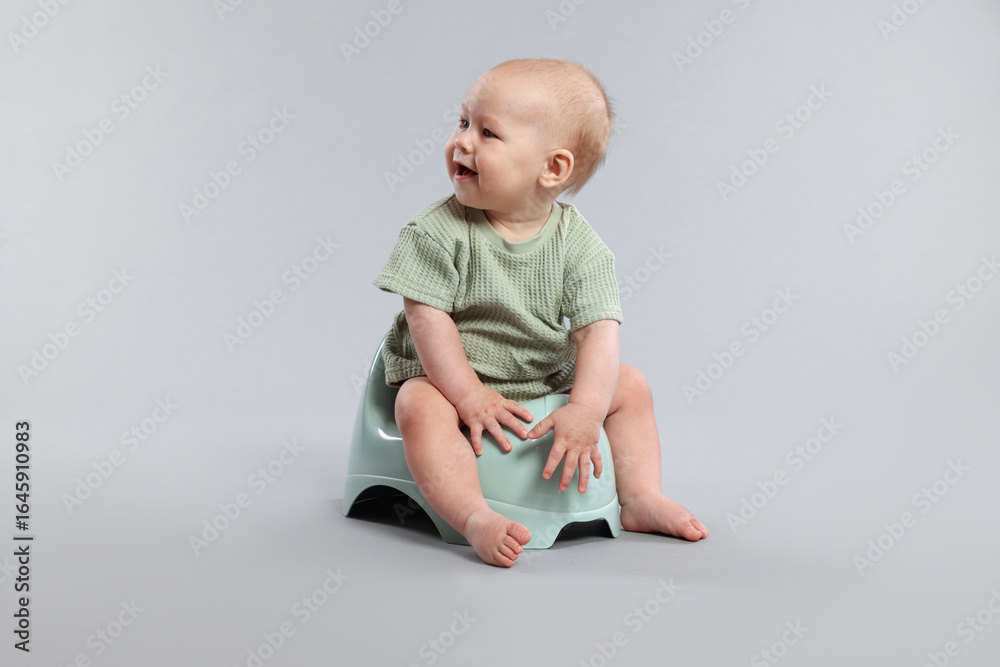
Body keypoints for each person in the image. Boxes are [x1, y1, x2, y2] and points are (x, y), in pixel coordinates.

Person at [374, 58, 708, 567]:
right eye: (463, 122)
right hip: (452, 374)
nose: (462, 142)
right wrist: (468, 395)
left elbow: (597, 333)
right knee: (417, 405)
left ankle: (641, 495)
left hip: (540, 371)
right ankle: (473, 514)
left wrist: (586, 411)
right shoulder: (436, 232)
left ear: (552, 168)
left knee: (631, 386)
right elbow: (426, 318)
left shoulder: (579, 244)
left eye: (487, 132)